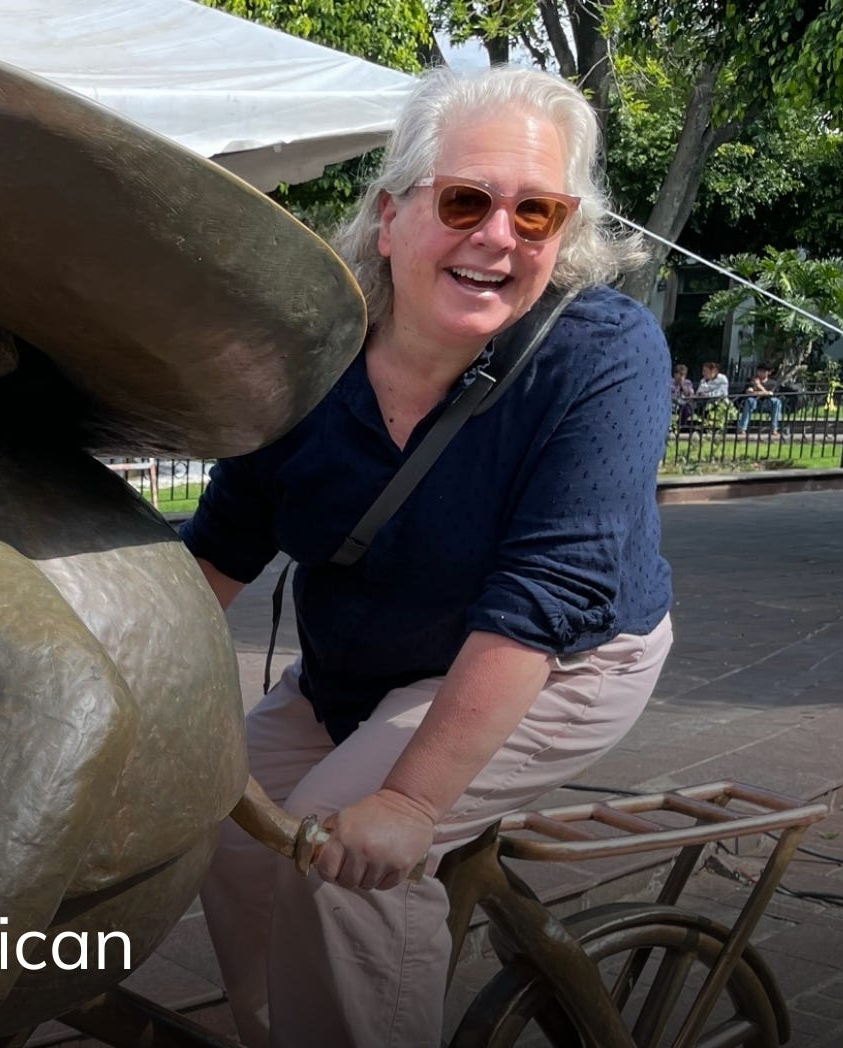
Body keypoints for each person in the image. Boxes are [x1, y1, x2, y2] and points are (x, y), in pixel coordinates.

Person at [181, 65, 673, 1047]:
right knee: (205, 810)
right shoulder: (312, 358)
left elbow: (542, 599)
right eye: (463, 200)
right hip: (359, 669)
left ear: (561, 234)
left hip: (561, 661)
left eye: (536, 214)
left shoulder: (600, 354)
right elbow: (219, 550)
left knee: (336, 853)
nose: (497, 235)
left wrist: (409, 800)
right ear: (390, 215)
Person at [737, 363, 783, 436]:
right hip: (754, 403)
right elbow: (749, 392)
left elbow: (771, 394)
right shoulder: (751, 380)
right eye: (759, 371)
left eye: (763, 371)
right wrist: (764, 392)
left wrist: (758, 386)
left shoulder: (772, 383)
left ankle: (774, 428)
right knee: (749, 400)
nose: (760, 373)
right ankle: (742, 428)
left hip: (767, 404)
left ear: (768, 372)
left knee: (776, 402)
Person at [671, 362, 696, 427]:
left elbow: (688, 394)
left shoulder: (688, 383)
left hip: (683, 405)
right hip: (672, 404)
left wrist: (682, 385)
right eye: (680, 374)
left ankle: (681, 428)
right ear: (675, 374)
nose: (682, 377)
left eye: (684, 375)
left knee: (686, 409)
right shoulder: (670, 382)